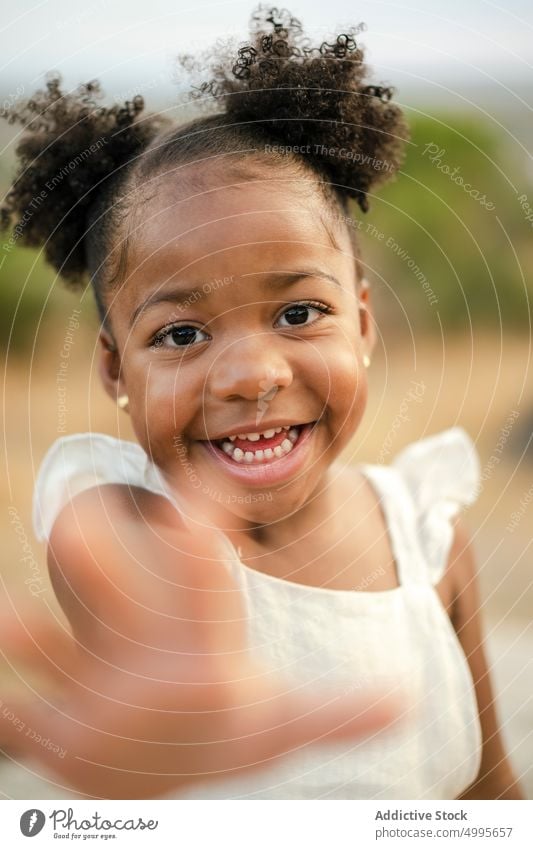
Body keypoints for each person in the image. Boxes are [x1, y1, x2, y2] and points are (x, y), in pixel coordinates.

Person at [0, 6, 523, 801]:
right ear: (114, 369)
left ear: (364, 322)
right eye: (180, 333)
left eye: (298, 313)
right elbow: (99, 545)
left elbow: (489, 795)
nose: (250, 374)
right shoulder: (127, 520)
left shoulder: (426, 535)